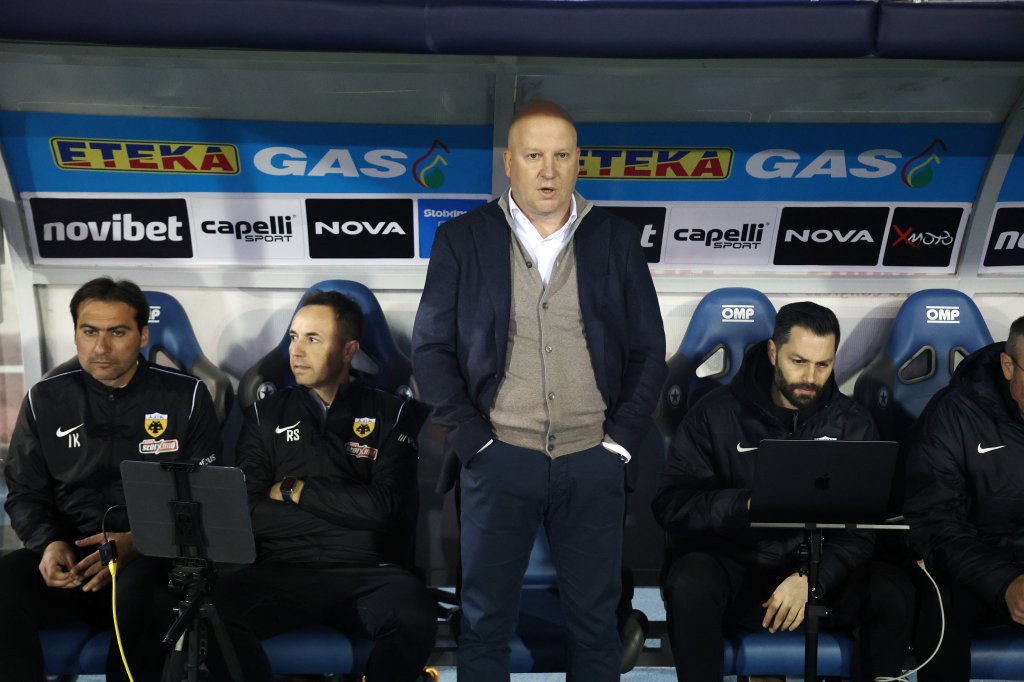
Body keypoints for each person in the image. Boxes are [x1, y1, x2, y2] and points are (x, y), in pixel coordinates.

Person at [411, 100, 666, 680]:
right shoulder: (461, 239)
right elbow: (430, 350)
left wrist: (619, 442)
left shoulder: (617, 240)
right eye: (533, 157)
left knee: (595, 629)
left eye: (561, 156)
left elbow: (649, 351)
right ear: (509, 163)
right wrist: (474, 441)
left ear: (578, 162)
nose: (548, 171)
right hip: (497, 458)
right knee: (483, 626)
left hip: (593, 460)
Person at [651, 301, 914, 682]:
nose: (810, 377)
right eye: (799, 361)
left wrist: (811, 580)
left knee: (892, 592)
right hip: (738, 567)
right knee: (689, 582)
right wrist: (744, 504)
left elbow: (862, 532)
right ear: (774, 352)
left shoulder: (853, 424)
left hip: (818, 571)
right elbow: (671, 504)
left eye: (823, 365)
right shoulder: (715, 414)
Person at [0, 276, 222, 682]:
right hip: (71, 556)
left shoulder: (186, 397)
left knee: (140, 595)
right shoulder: (45, 398)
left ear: (142, 336)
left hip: (150, 557)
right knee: (6, 583)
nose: (101, 347)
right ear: (75, 334)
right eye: (89, 332)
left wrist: (138, 541)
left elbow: (205, 494)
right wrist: (48, 543)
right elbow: (24, 492)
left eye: (117, 332)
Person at [207, 290, 436, 682]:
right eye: (293, 337)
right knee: (212, 615)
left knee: (414, 612)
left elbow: (386, 509)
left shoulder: (393, 413)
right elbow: (246, 512)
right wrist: (349, 518)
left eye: (313, 339)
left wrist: (295, 490)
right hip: (280, 571)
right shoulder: (264, 414)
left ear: (349, 350)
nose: (296, 351)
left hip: (367, 573)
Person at [904, 315, 1024, 681]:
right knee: (940, 605)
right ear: (1008, 366)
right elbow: (935, 524)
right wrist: (1005, 582)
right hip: (974, 569)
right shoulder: (954, 414)